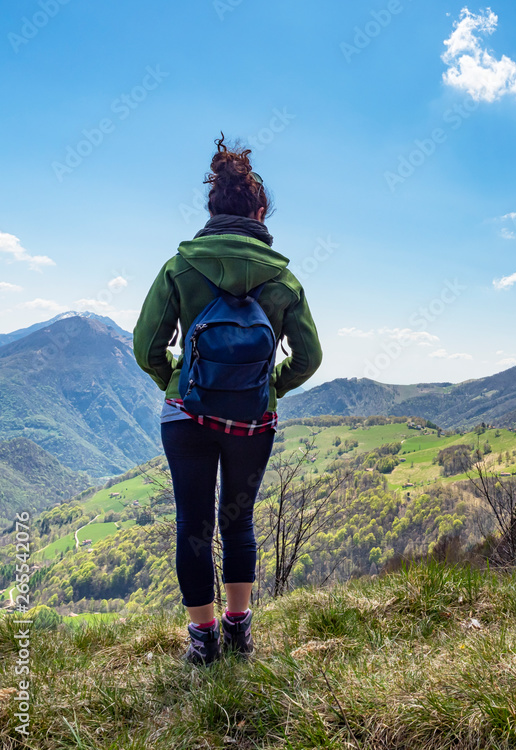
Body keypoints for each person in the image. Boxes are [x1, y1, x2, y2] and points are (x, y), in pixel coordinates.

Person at [134, 135, 322, 665]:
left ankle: (203, 641)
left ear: (212, 208)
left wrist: (176, 379)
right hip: (252, 422)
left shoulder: (180, 267)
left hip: (187, 416)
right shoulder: (283, 278)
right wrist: (270, 386)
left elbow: (146, 345)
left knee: (192, 525)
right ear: (260, 212)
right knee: (238, 523)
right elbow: (309, 357)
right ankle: (240, 634)